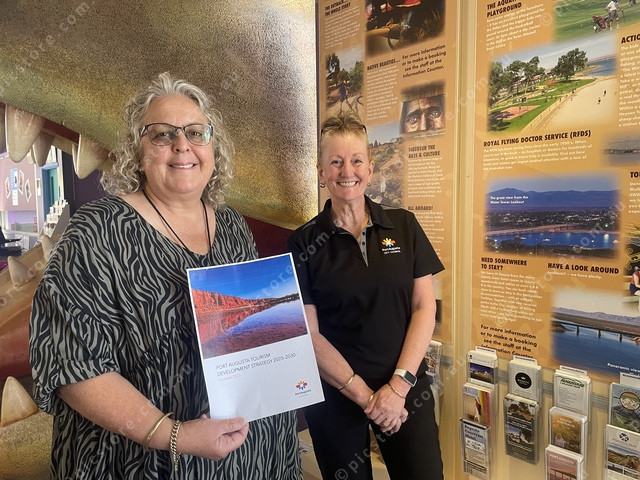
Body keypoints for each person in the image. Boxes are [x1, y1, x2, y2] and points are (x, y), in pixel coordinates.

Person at [29, 72, 301, 479]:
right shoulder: (97, 231)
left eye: (196, 132)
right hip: (143, 462)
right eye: (162, 134)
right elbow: (72, 367)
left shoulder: (231, 225)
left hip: (248, 453)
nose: (182, 145)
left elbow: (254, 333)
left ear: (213, 148)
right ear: (138, 152)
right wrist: (174, 435)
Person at [287, 110, 444, 480]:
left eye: (357, 160)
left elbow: (424, 306)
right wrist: (368, 398)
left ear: (370, 169)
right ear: (321, 172)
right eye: (336, 162)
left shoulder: (404, 225)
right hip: (337, 396)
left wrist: (397, 388)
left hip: (405, 388)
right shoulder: (303, 243)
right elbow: (308, 333)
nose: (348, 171)